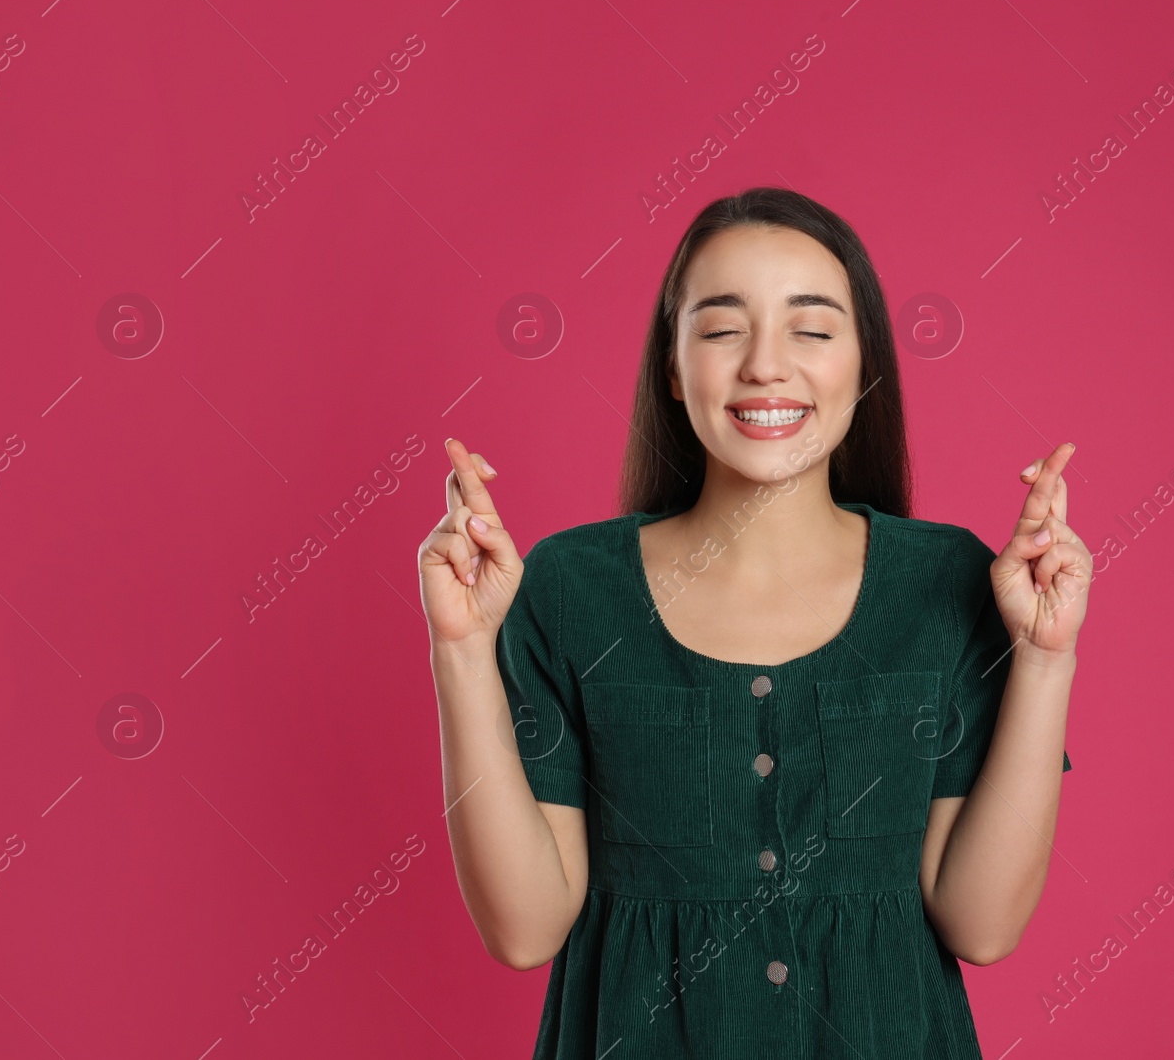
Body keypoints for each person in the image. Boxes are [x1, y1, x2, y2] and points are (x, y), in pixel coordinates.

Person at [417, 186, 1089, 1058]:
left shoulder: (948, 581)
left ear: (864, 362)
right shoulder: (569, 588)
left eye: (811, 329)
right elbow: (525, 931)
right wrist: (463, 650)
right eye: (723, 327)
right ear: (671, 364)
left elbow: (982, 924)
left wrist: (1043, 657)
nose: (766, 366)